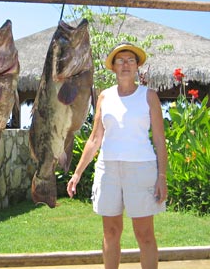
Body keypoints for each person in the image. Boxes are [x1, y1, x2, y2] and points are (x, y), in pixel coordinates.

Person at [67, 42, 168, 269]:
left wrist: (162, 176)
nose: (125, 64)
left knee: (145, 235)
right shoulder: (104, 97)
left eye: (130, 60)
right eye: (120, 60)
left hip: (141, 169)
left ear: (137, 67)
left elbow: (160, 140)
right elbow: (95, 139)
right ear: (112, 67)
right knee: (111, 232)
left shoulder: (149, 96)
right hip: (108, 170)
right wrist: (77, 174)